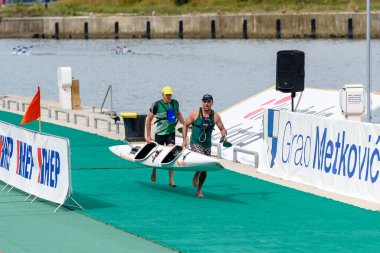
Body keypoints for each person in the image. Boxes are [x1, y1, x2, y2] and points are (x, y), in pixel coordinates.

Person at [182, 94, 227, 198]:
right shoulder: (195, 114)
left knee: (205, 170)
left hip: (207, 145)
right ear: (202, 102)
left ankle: (198, 189)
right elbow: (185, 125)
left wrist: (224, 135)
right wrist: (184, 140)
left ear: (212, 103)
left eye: (208, 101)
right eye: (204, 101)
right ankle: (197, 174)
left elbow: (222, 129)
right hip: (195, 142)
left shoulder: (215, 116)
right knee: (202, 161)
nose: (206, 103)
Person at [146, 86, 185, 187]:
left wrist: (184, 123)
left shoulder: (175, 103)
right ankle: (154, 170)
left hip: (170, 132)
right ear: (162, 94)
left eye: (170, 94)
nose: (169, 96)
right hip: (159, 133)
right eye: (167, 94)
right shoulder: (156, 105)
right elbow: (148, 120)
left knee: (171, 153)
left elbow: (178, 114)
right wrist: (148, 136)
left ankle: (171, 180)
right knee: (156, 154)